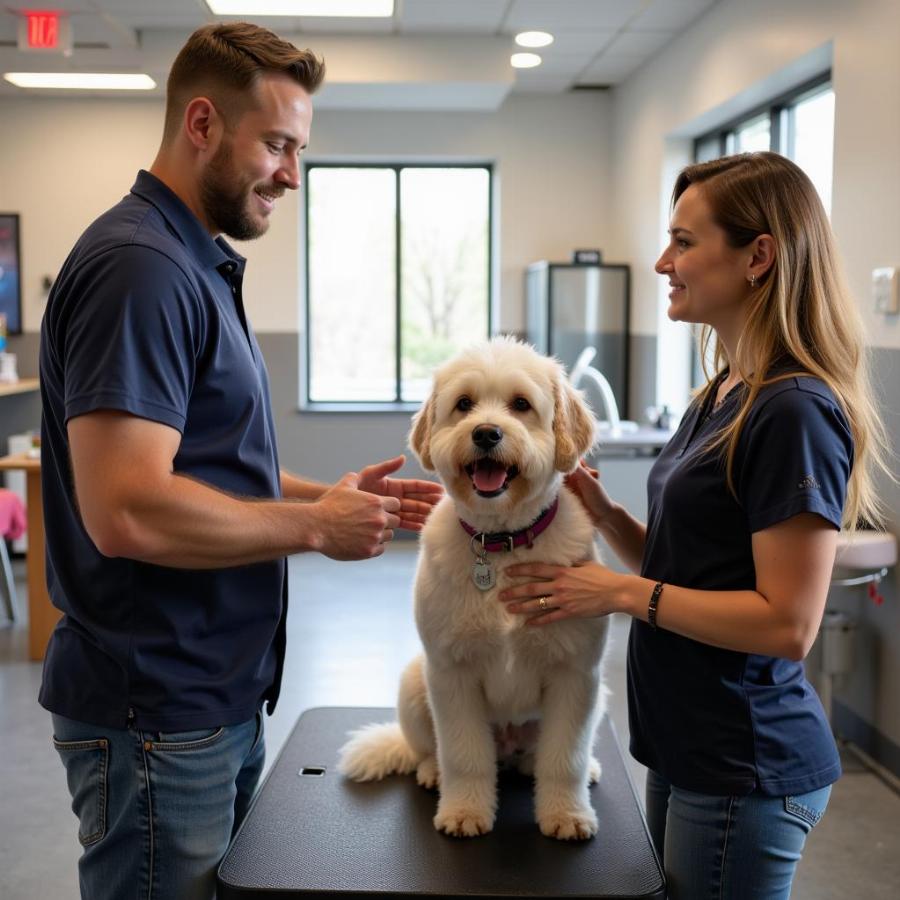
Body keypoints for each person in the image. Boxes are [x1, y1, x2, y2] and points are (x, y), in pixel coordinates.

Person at [38, 21, 442, 900]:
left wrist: (322, 495)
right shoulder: (139, 269)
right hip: (156, 709)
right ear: (201, 124)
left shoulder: (191, 262)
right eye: (278, 145)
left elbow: (204, 469)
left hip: (209, 697)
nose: (291, 174)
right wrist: (311, 525)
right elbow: (128, 508)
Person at [498, 152, 890, 899]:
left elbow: (786, 625)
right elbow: (690, 572)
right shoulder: (722, 392)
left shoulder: (793, 409)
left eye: (683, 242)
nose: (660, 262)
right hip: (685, 743)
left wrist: (615, 594)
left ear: (758, 257)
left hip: (745, 762)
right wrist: (606, 514)